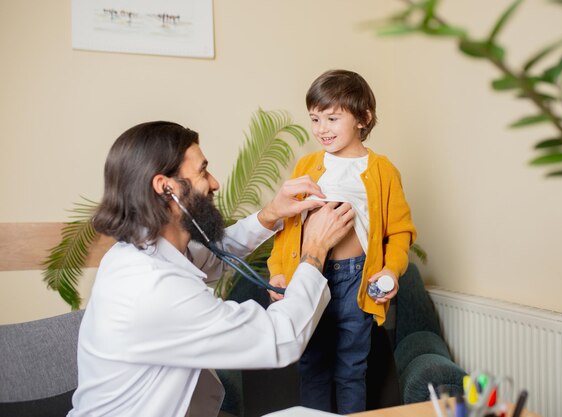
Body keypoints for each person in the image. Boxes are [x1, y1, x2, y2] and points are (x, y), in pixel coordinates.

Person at [67, 121, 355, 417]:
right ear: (166, 188)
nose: (215, 183)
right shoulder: (151, 287)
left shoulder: (142, 253)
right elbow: (279, 338)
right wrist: (315, 250)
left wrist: (271, 215)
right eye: (203, 171)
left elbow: (213, 255)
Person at [267, 69, 417, 414]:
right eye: (315, 118)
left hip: (357, 280)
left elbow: (399, 232)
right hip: (310, 275)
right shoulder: (307, 165)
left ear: (363, 118)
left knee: (352, 369)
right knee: (312, 367)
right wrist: (278, 272)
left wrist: (391, 271)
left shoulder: (382, 170)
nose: (321, 129)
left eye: (332, 118)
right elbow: (286, 226)